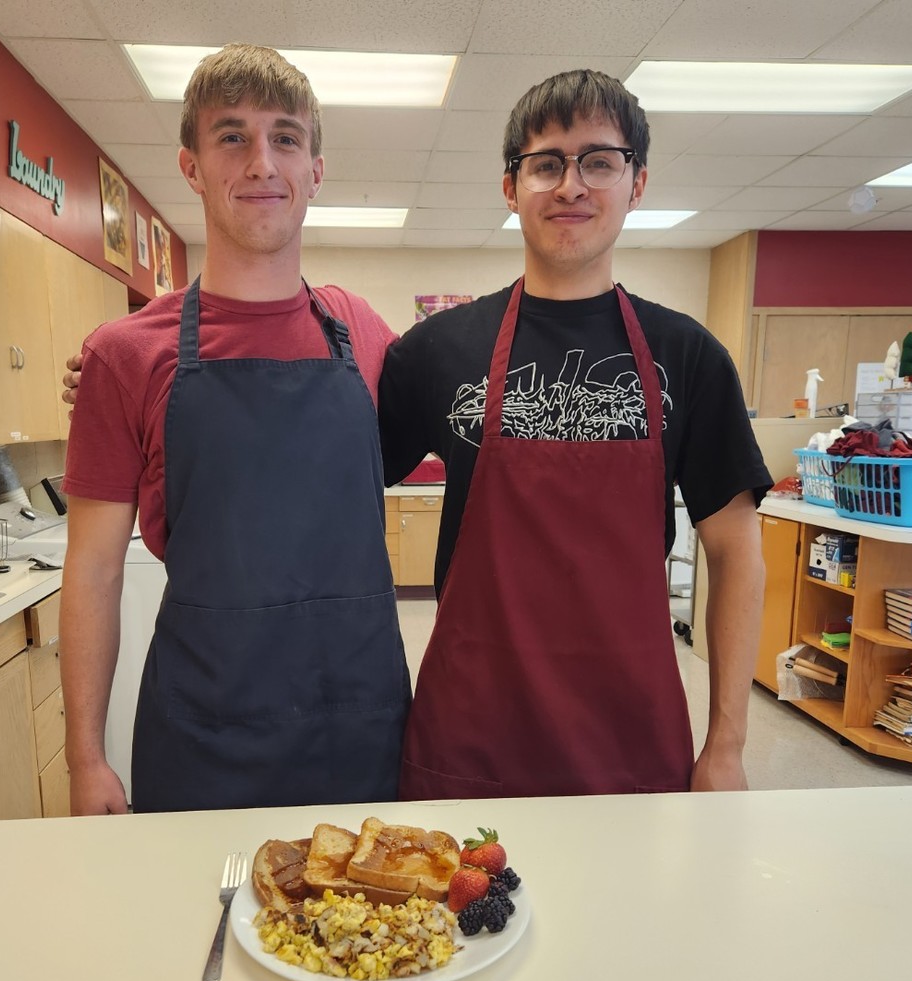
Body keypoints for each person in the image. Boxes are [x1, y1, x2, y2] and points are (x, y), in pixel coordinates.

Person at [379, 69, 772, 799]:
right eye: (546, 164)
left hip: (629, 741)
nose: (571, 186)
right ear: (511, 186)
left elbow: (737, 554)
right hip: (470, 734)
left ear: (636, 182)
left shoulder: (688, 356)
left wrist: (727, 745)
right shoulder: (436, 351)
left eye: (598, 161)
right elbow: (330, 480)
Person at [58, 44, 411, 814]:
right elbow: (92, 572)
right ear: (191, 166)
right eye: (232, 136)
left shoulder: (361, 331)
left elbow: (474, 409)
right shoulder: (123, 355)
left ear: (316, 170)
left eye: (285, 137)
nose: (261, 163)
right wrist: (85, 758)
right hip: (204, 732)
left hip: (360, 723)